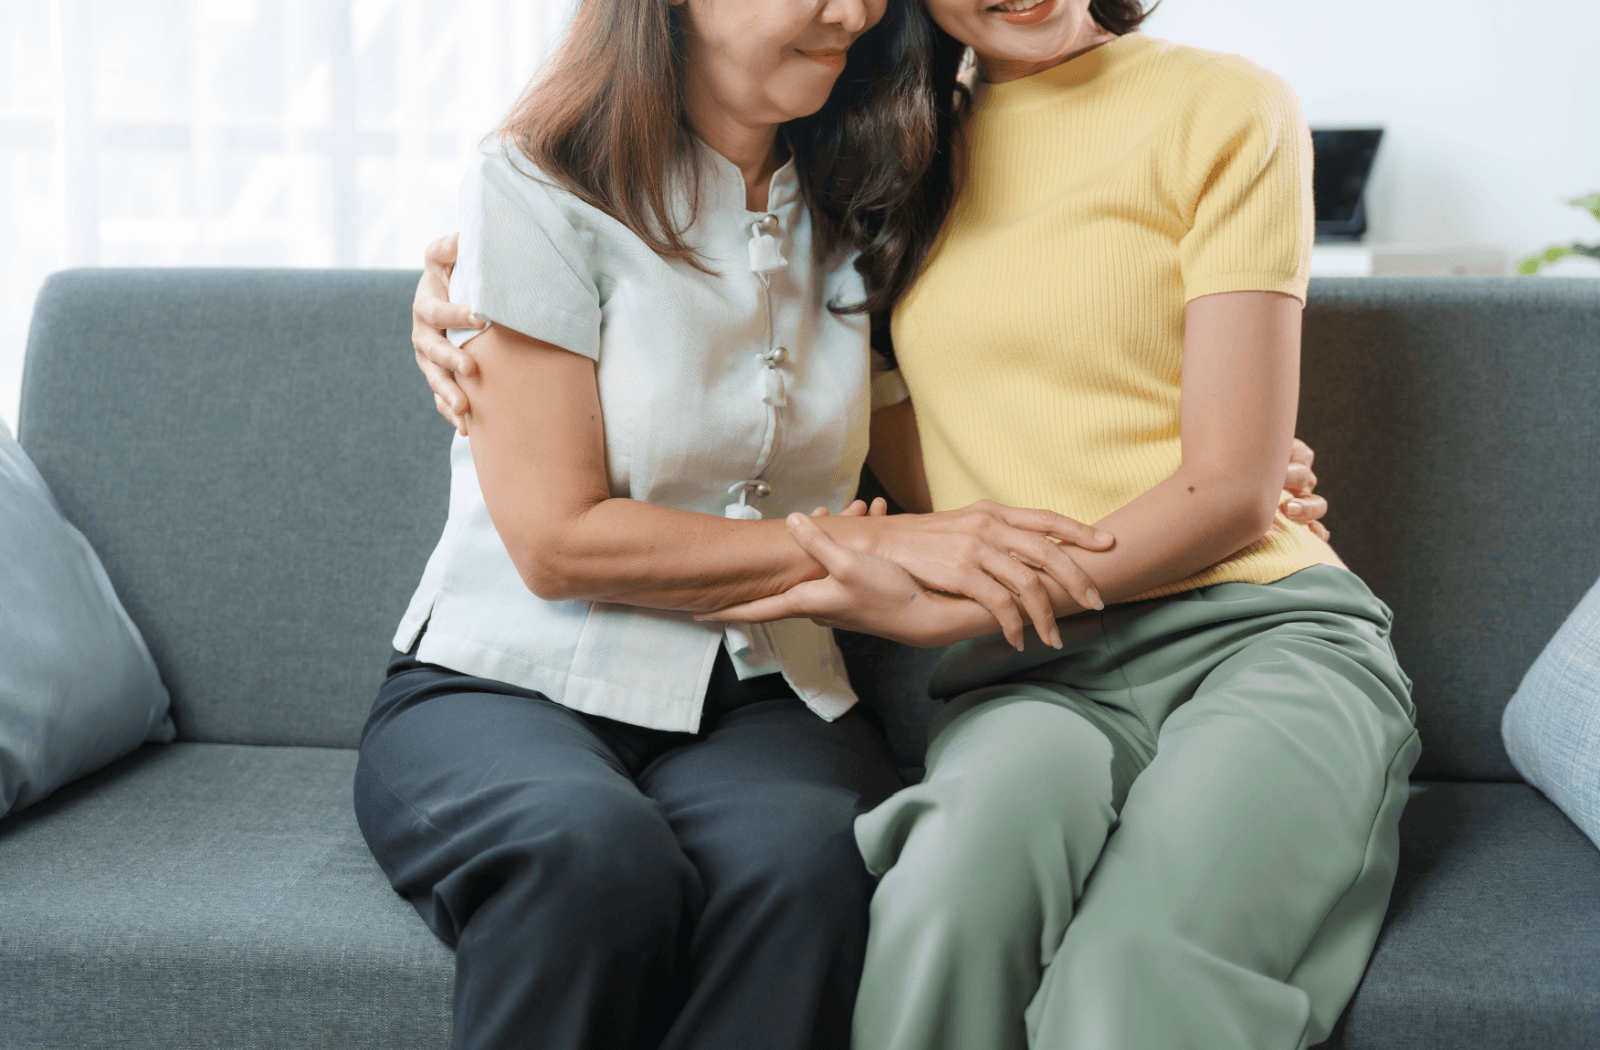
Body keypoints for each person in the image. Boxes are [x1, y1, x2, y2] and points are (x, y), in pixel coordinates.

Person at [406, 8, 1358, 1050]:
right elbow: (561, 527)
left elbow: (1144, 453)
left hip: (848, 674)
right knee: (668, 870)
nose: (849, 9)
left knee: (863, 884)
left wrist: (1210, 481)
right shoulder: (830, 164)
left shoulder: (893, 177)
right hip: (550, 676)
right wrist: (469, 275)